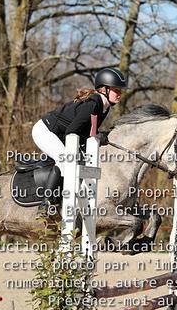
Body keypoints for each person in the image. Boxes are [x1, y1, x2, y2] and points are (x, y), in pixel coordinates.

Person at [31, 67, 128, 215]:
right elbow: (72, 132)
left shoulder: (104, 107)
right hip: (45, 131)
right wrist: (95, 137)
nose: (120, 94)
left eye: (120, 90)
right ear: (104, 89)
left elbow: (84, 131)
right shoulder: (93, 104)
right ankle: (46, 203)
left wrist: (97, 136)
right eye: (116, 90)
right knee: (66, 159)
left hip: (60, 135)